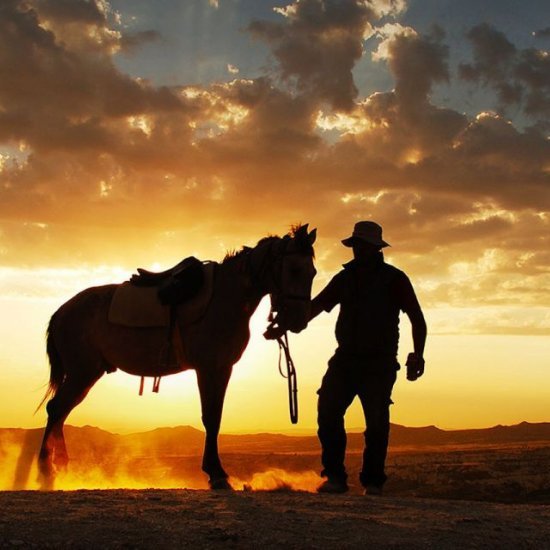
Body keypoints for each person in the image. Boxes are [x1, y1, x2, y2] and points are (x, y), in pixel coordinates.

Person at [306, 221, 426, 495]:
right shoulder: (345, 278)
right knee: (328, 412)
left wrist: (418, 355)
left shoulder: (395, 279)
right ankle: (336, 477)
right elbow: (317, 306)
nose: (356, 250)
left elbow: (417, 320)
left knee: (376, 423)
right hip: (346, 358)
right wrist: (288, 322)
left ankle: (372, 482)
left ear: (374, 248)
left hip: (378, 363)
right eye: (355, 246)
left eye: (360, 245)